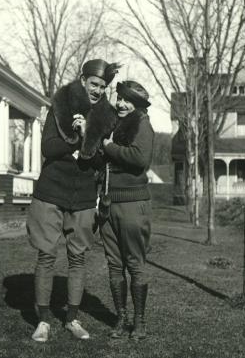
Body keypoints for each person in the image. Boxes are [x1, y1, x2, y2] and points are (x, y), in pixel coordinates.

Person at [27, 59, 120, 343]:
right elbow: (48, 148)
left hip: (82, 195)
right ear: (83, 79)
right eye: (94, 84)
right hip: (52, 190)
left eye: (103, 87)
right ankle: (43, 321)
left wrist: (88, 136)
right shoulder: (62, 103)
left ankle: (72, 319)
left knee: (78, 257)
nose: (97, 91)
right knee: (46, 254)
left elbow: (103, 159)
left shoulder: (106, 115)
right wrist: (74, 139)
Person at [99, 80, 154, 341]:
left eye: (127, 100)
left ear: (139, 104)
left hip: (133, 204)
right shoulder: (113, 124)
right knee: (114, 264)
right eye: (119, 97)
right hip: (109, 204)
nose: (121, 103)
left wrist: (108, 147)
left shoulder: (142, 123)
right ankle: (121, 319)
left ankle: (139, 322)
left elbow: (139, 158)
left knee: (135, 264)